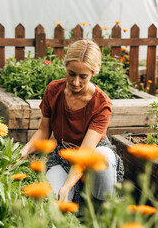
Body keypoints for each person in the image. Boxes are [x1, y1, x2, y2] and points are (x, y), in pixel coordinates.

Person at [19, 39, 124, 204]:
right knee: (51, 198)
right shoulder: (53, 91)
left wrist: (67, 185)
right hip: (64, 156)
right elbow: (44, 131)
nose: (76, 82)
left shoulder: (101, 104)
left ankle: (104, 205)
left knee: (102, 157)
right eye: (71, 73)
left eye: (83, 77)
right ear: (65, 67)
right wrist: (22, 153)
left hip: (92, 155)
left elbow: (85, 152)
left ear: (94, 73)